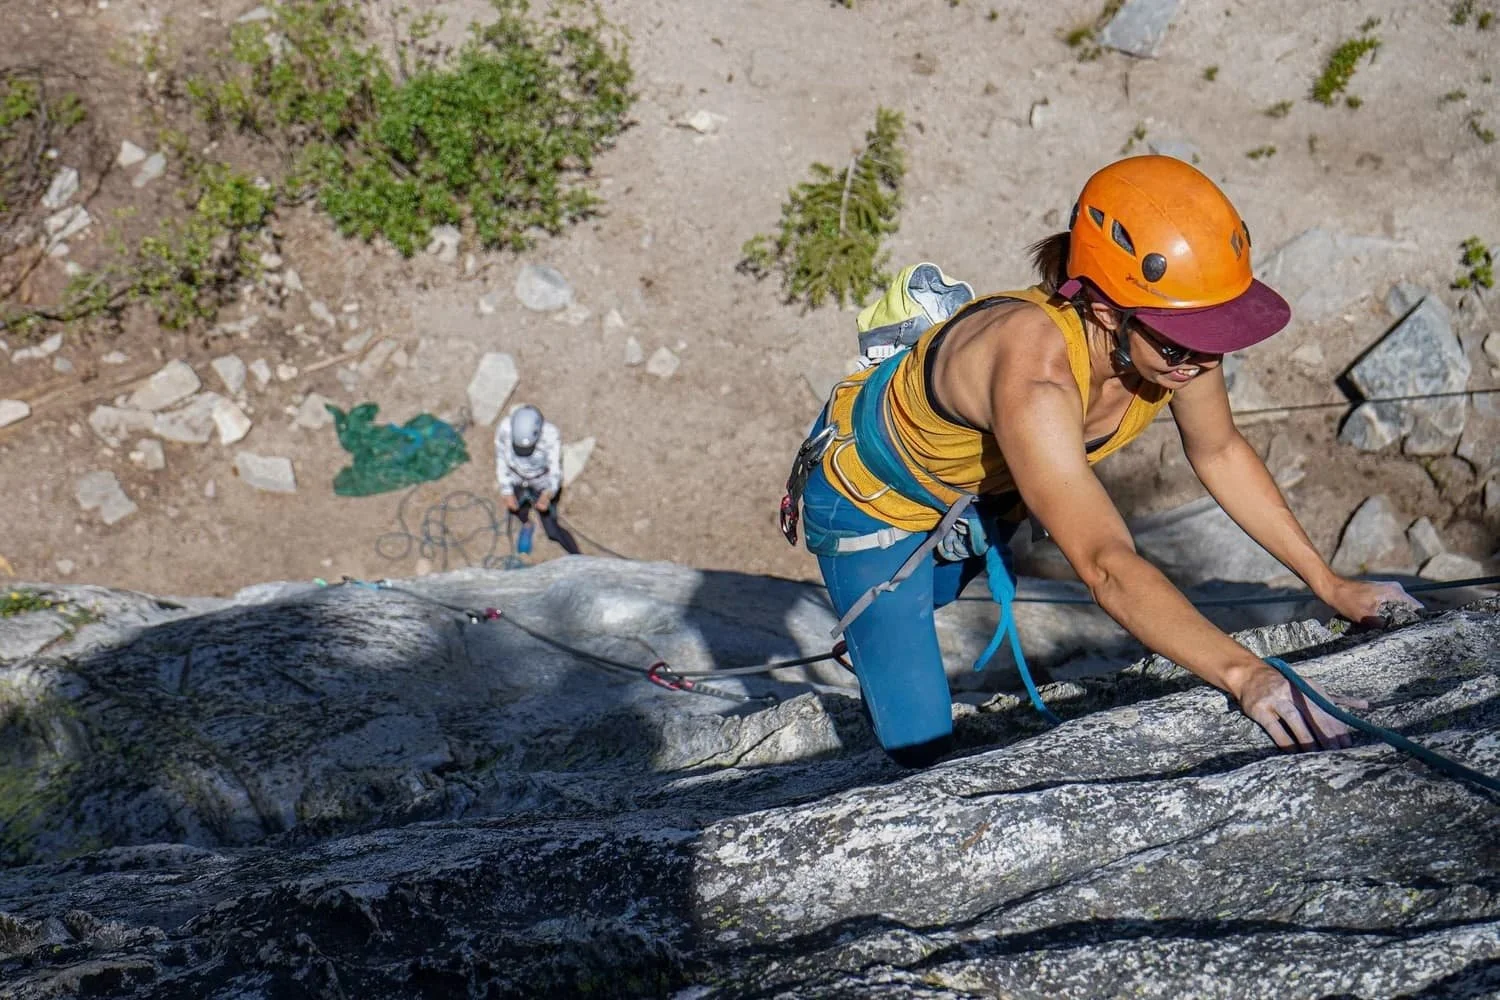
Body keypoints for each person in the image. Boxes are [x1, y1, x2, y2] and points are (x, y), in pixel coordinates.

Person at [792, 155, 1420, 768]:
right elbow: (1105, 565)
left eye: (1214, 337)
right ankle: (882, 637)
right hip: (870, 503)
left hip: (984, 489)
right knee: (921, 745)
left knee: (930, 590)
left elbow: (1220, 450)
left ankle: (888, 626)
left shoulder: (1175, 339)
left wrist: (1329, 582)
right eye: (1182, 342)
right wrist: (1248, 676)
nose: (1198, 364)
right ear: (1103, 309)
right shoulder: (1036, 377)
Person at [494, 403, 580, 556]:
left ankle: (577, 557)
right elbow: (501, 458)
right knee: (518, 509)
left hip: (541, 481)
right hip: (516, 477)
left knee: (551, 528)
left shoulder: (551, 435)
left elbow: (555, 469)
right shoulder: (505, 429)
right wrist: (506, 490)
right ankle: (527, 525)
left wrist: (548, 493)